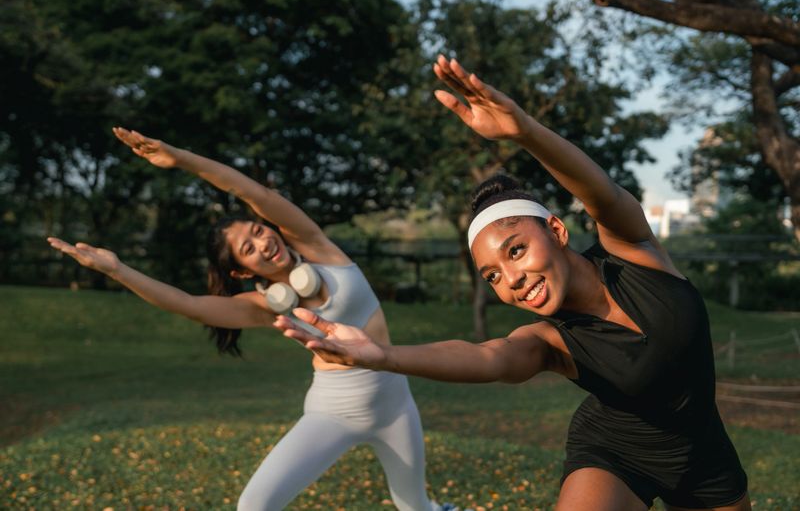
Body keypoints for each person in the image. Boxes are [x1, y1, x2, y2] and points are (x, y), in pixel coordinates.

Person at [275, 55, 751, 511]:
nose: (513, 280)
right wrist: (385, 357)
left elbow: (598, 190)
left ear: (558, 231)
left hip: (705, 456)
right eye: (493, 276)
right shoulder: (550, 340)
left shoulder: (634, 252)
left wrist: (524, 132)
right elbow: (489, 357)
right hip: (614, 454)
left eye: (516, 250)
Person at [47, 128, 446, 511]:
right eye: (249, 248)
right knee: (253, 504)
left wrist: (180, 158)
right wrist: (117, 269)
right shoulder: (264, 304)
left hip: (395, 406)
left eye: (258, 230)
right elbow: (186, 303)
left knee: (414, 506)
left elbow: (250, 191)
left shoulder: (317, 247)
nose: (264, 243)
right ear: (241, 271)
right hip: (333, 411)